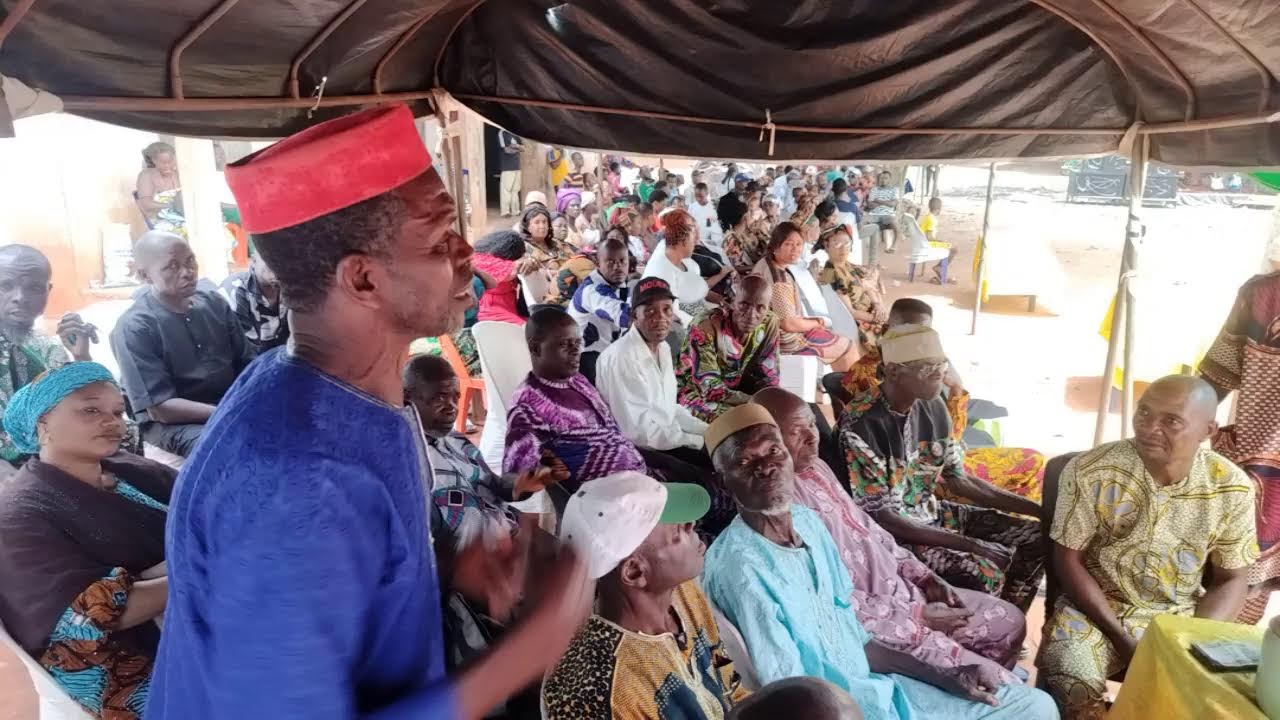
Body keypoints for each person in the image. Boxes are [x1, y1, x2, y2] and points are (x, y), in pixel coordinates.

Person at [148, 105, 592, 719]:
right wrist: (528, 651)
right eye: (440, 239)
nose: (467, 253)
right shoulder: (295, 481)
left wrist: (439, 564)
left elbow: (339, 580)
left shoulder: (331, 392)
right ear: (362, 279)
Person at [700, 405, 1059, 720]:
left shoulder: (807, 522)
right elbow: (786, 689)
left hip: (882, 689)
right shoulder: (742, 569)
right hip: (838, 710)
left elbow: (856, 638)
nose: (766, 467)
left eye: (774, 450)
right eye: (745, 461)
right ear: (723, 478)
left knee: (1035, 705)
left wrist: (943, 675)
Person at [754, 388, 1026, 684]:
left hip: (906, 590)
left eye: (811, 423)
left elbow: (872, 531)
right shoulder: (779, 506)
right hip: (882, 625)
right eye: (797, 431)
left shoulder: (817, 469)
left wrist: (925, 577)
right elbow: (826, 604)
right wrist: (918, 615)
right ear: (768, 444)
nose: (812, 435)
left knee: (1011, 621)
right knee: (1004, 690)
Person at [1037, 375, 1257, 719]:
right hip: (1095, 613)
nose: (1149, 428)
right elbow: (1068, 560)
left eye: (1171, 421)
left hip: (1177, 617)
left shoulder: (1231, 488)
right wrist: (1123, 638)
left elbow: (1231, 577)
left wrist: (1190, 641)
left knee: (1223, 696)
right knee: (1071, 671)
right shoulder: (1092, 471)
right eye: (1144, 413)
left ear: (1207, 430)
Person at [0, 362, 172, 719]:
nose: (112, 421)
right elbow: (87, 617)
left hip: (183, 614)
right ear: (42, 425)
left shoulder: (130, 469)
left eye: (118, 411)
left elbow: (205, 506)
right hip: (125, 665)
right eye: (90, 409)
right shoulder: (19, 515)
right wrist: (203, 568)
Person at [838, 325, 1045, 611]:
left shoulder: (934, 406)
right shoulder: (862, 424)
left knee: (1038, 539)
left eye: (941, 364)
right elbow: (881, 516)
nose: (939, 374)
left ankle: (1009, 619)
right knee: (985, 572)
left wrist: (1037, 509)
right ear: (895, 371)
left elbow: (958, 479)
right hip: (896, 536)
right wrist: (971, 545)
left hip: (935, 515)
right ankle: (978, 634)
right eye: (927, 368)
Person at [541, 471, 751, 718]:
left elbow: (729, 687)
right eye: (677, 530)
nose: (691, 524)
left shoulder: (683, 592)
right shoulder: (593, 690)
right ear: (635, 571)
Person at [836, 299, 1047, 501]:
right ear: (885, 331)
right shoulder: (875, 381)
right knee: (1026, 477)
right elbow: (929, 447)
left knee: (1034, 462)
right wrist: (955, 394)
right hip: (923, 477)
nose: (918, 339)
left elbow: (946, 439)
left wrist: (955, 392)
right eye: (909, 330)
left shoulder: (925, 371)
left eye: (925, 332)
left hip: (947, 460)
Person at [595, 277, 735, 532]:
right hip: (640, 451)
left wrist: (709, 431)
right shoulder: (622, 358)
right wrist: (697, 442)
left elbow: (670, 409)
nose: (660, 317)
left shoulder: (661, 349)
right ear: (634, 316)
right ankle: (709, 534)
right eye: (649, 311)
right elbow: (639, 433)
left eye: (666, 309)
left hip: (665, 439)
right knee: (713, 482)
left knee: (726, 451)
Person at [110, 231, 254, 457]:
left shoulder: (214, 304)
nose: (188, 273)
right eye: (172, 267)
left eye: (190, 261)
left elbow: (248, 365)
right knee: (226, 446)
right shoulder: (135, 327)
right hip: (174, 425)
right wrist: (228, 412)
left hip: (228, 407)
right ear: (145, 275)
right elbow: (160, 408)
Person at [0, 245, 138, 470]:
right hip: (16, 471)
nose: (20, 298)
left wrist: (81, 356)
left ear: (48, 290)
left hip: (51, 461)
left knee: (125, 434)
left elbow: (88, 405)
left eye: (34, 288)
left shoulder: (46, 346)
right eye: (6, 285)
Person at [504, 307, 648, 511]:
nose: (576, 351)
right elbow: (516, 481)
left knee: (701, 485)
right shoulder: (528, 405)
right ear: (536, 348)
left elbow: (613, 435)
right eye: (564, 344)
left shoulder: (578, 381)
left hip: (638, 483)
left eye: (577, 343)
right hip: (607, 506)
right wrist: (546, 473)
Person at [1199, 259, 1280, 623]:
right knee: (1241, 583)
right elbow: (1213, 381)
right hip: (1263, 476)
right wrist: (1168, 422)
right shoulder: (1264, 296)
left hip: (1264, 472)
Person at [758, 222, 860, 372]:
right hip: (786, 340)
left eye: (799, 244)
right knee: (848, 346)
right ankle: (851, 392)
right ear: (775, 246)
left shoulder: (766, 262)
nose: (795, 249)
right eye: (788, 244)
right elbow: (789, 324)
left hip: (775, 331)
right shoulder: (780, 280)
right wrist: (818, 322)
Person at [678, 275, 779, 422]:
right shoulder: (705, 327)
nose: (751, 315)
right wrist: (756, 403)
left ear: (768, 308)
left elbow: (769, 375)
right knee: (743, 421)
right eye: (744, 305)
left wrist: (771, 400)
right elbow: (709, 387)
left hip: (736, 391)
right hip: (695, 391)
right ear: (732, 303)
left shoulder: (770, 322)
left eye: (760, 307)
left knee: (779, 413)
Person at [643, 209, 727, 325]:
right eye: (693, 237)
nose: (696, 241)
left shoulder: (670, 248)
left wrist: (718, 300)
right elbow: (677, 318)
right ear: (683, 240)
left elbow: (695, 289)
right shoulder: (662, 274)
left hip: (703, 313)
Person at [568, 236, 631, 383]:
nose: (617, 267)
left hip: (607, 353)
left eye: (622, 261)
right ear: (597, 263)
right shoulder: (592, 290)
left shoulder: (617, 282)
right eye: (610, 262)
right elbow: (623, 315)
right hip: (583, 360)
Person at [816, 227, 886, 349]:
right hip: (859, 322)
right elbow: (850, 313)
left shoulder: (846, 264)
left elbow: (866, 287)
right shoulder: (831, 274)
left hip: (870, 312)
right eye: (837, 244)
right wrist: (877, 318)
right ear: (826, 246)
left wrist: (877, 305)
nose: (843, 248)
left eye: (847, 243)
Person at [217, 251, 289, 354]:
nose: (277, 265)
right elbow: (244, 354)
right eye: (269, 259)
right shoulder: (234, 291)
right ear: (254, 261)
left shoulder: (291, 287)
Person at [516, 205, 575, 305]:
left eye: (544, 222)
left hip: (570, 286)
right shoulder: (524, 248)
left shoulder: (557, 243)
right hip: (546, 296)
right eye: (537, 222)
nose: (542, 226)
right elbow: (533, 273)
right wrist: (560, 273)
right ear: (528, 227)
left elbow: (574, 261)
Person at [473, 229, 528, 325]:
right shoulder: (482, 261)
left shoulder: (490, 257)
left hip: (506, 307)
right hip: (491, 310)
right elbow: (512, 269)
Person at [136, 141, 184, 235]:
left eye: (170, 161)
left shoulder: (177, 174)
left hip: (181, 217)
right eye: (163, 163)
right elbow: (145, 204)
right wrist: (171, 206)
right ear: (154, 161)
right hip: (160, 221)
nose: (168, 166)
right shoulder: (147, 176)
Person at [720, 193, 764, 273]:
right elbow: (735, 268)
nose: (752, 215)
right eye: (750, 212)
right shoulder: (731, 241)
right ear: (744, 217)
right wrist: (759, 266)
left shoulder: (747, 233)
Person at [918, 197, 956, 283]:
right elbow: (929, 237)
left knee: (949, 246)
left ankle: (940, 269)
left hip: (922, 243)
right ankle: (940, 267)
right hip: (928, 244)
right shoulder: (932, 220)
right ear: (938, 209)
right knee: (953, 249)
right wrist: (940, 241)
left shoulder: (926, 217)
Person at [866, 171, 899, 254]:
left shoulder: (894, 190)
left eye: (885, 178)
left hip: (888, 214)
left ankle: (894, 245)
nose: (883, 180)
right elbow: (870, 205)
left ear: (889, 179)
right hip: (874, 214)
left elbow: (893, 204)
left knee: (895, 225)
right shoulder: (874, 189)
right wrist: (886, 202)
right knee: (863, 222)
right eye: (882, 178)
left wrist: (878, 200)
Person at [498, 129, 524, 217]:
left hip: (517, 167)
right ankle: (505, 212)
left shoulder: (516, 134)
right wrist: (518, 148)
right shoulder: (502, 133)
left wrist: (514, 146)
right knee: (506, 190)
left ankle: (515, 211)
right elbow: (506, 150)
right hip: (507, 167)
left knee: (515, 190)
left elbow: (523, 148)